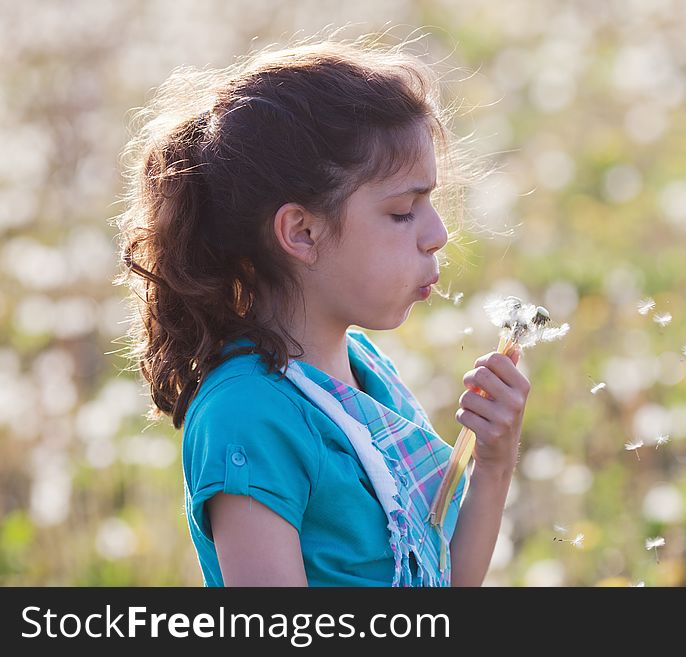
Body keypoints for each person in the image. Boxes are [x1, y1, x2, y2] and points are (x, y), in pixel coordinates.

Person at [113, 33, 530, 587]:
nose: (438, 234)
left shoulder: (365, 369)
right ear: (302, 232)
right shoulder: (247, 415)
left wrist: (494, 463)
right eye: (404, 211)